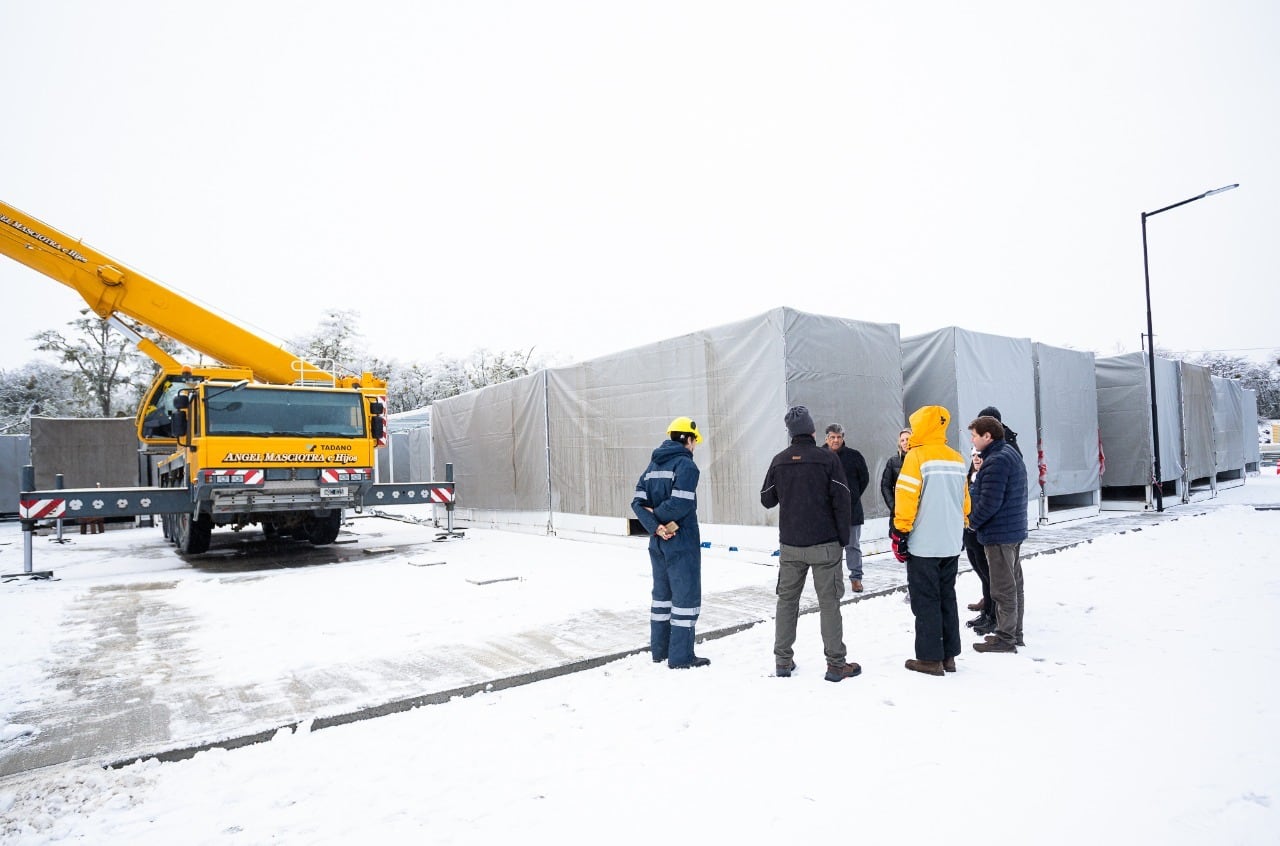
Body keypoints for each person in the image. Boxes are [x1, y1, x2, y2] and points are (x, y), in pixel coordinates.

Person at [760, 405, 861, 682]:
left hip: (791, 544)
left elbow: (767, 498)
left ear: (790, 433)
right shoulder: (827, 459)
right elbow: (843, 500)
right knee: (829, 603)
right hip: (825, 544)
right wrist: (843, 538)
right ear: (813, 430)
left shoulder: (779, 461)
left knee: (787, 601)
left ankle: (783, 661)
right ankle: (835, 664)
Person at [890, 405, 970, 676]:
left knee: (925, 600)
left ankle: (929, 658)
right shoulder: (957, 458)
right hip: (950, 542)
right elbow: (965, 502)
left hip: (924, 544)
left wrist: (900, 533)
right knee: (947, 596)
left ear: (922, 427)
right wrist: (962, 526)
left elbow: (906, 498)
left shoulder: (916, 457)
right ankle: (949, 656)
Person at [631, 416, 709, 669]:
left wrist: (655, 527)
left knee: (662, 597)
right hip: (681, 540)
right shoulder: (686, 466)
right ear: (687, 438)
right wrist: (662, 524)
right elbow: (681, 504)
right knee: (685, 597)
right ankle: (681, 656)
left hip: (658, 542)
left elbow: (637, 504)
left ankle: (660, 651)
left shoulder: (652, 466)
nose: (694, 446)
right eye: (694, 441)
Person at [967, 415, 1029, 654]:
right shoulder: (1007, 454)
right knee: (1013, 585)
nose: (972, 439)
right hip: (1011, 530)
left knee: (1003, 588)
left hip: (1000, 533)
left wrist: (972, 522)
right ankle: (1014, 633)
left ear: (987, 436)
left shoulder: (996, 460)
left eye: (974, 435)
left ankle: (1006, 638)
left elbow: (990, 502)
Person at [823, 423, 870, 592]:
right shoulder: (819, 456)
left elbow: (864, 479)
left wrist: (852, 497)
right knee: (830, 548)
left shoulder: (854, 456)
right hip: (827, 513)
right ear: (826, 438)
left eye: (839, 437)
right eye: (832, 437)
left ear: (843, 438)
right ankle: (832, 580)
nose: (836, 440)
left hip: (851, 511)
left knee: (852, 546)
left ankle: (856, 578)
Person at [963, 448, 997, 634]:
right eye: (973, 456)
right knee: (981, 574)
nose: (976, 458)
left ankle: (992, 614)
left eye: (979, 455)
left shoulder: (986, 478)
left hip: (980, 532)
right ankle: (986, 612)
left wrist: (974, 523)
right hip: (969, 535)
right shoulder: (969, 478)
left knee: (988, 575)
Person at [879, 427, 912, 515]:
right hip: (900, 512)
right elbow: (885, 486)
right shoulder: (893, 461)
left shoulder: (921, 460)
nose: (905, 442)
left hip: (919, 511)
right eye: (902, 440)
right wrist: (894, 507)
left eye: (908, 439)